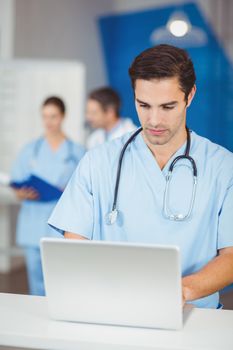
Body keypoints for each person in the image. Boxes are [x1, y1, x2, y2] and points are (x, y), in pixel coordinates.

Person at [48, 45, 233, 309]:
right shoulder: (98, 162)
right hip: (112, 311)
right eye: (143, 105)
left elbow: (231, 256)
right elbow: (74, 247)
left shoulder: (223, 167)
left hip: (194, 317)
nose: (154, 120)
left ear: (190, 95)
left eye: (167, 106)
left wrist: (180, 291)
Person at [11, 96, 85, 296]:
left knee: (60, 279)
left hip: (61, 224)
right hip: (32, 221)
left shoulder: (77, 152)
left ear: (63, 117)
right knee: (35, 280)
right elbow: (16, 185)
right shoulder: (30, 150)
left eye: (53, 116)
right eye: (45, 117)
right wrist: (21, 192)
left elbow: (85, 190)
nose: (49, 122)